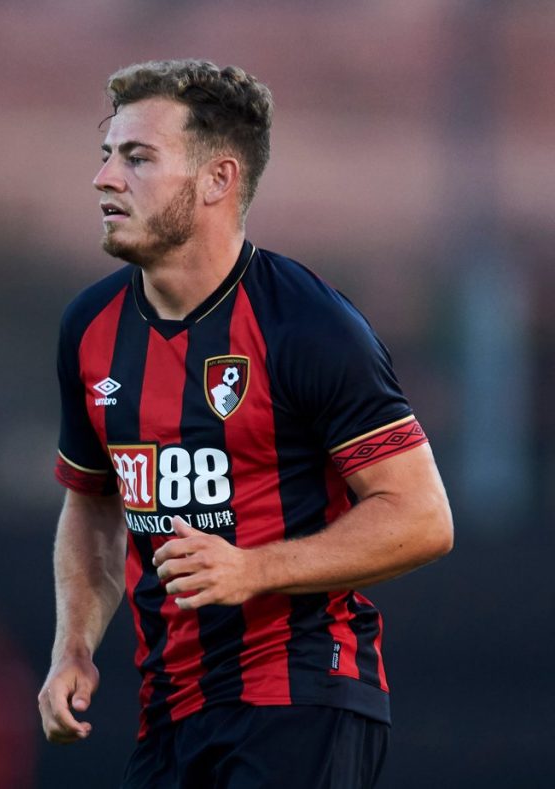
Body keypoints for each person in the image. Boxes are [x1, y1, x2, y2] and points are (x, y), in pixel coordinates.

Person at [37, 59, 453, 789]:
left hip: (302, 692)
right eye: (107, 155)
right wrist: (73, 645)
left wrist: (252, 567)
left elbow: (421, 516)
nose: (104, 179)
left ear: (217, 180)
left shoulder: (308, 324)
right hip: (170, 709)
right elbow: (93, 501)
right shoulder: (89, 328)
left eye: (137, 158)